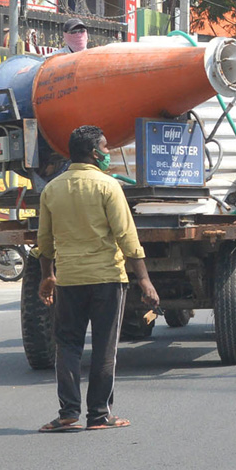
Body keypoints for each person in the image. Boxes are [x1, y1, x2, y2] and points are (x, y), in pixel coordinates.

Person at [36, 125, 158, 433]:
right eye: (104, 147)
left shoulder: (52, 189)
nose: (107, 152)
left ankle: (68, 413)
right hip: (107, 278)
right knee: (105, 347)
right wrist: (144, 280)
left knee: (67, 346)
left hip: (69, 280)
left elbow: (44, 240)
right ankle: (100, 415)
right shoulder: (108, 186)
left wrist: (47, 276)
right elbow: (127, 236)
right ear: (93, 153)